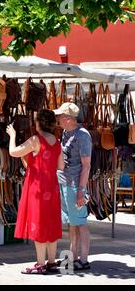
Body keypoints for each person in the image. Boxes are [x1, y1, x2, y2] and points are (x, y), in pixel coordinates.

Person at [6, 109, 64, 274]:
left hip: (37, 187)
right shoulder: (57, 141)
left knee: (38, 223)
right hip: (52, 187)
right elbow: (61, 166)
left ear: (39, 123)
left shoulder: (35, 140)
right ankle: (51, 262)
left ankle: (40, 264)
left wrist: (12, 136)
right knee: (51, 222)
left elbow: (13, 152)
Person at [54, 102, 92, 270]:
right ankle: (73, 256)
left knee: (80, 222)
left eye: (59, 116)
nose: (57, 119)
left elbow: (87, 165)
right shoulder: (65, 133)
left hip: (76, 185)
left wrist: (81, 191)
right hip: (66, 183)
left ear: (67, 118)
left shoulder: (82, 136)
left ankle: (83, 260)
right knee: (72, 222)